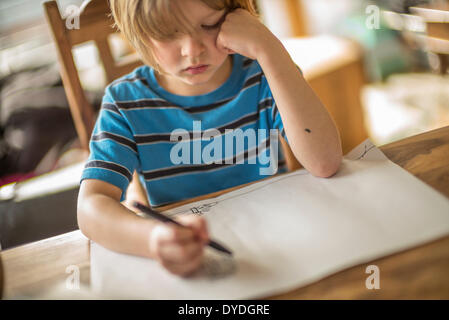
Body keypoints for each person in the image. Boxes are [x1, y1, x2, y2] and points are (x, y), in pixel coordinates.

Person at [77, 0, 342, 277]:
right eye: (167, 33)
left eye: (210, 25)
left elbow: (325, 162)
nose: (192, 50)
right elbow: (90, 206)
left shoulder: (265, 74)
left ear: (239, 15)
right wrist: (152, 238)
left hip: (283, 246)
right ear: (140, 33)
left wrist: (268, 47)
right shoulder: (125, 103)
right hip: (195, 260)